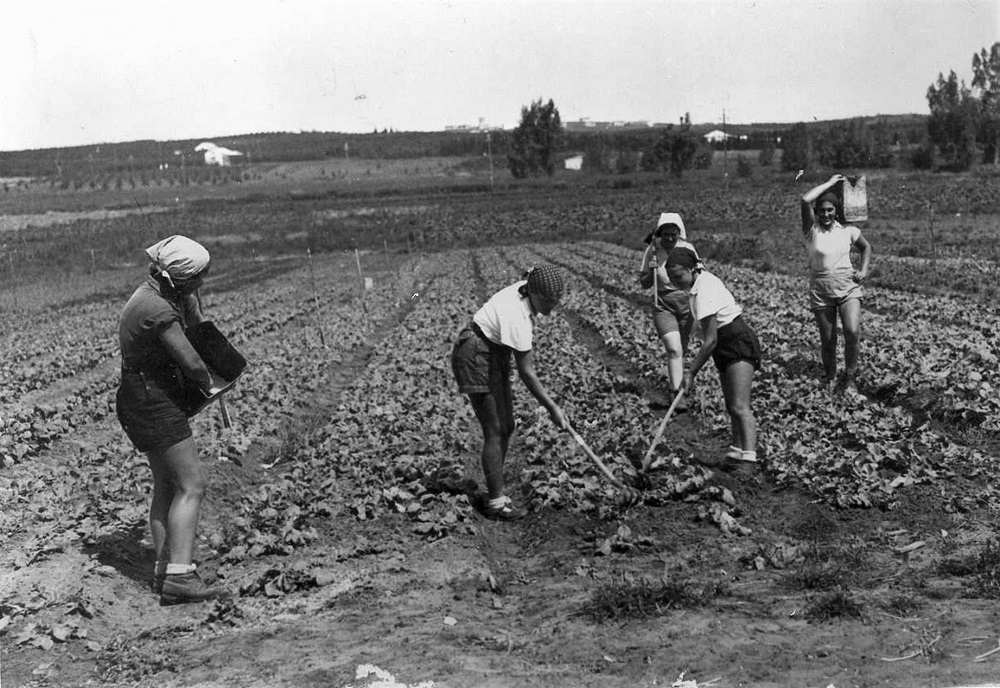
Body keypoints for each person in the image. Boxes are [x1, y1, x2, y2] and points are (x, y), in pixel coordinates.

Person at [116, 235, 227, 604]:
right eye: (197, 277)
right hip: (152, 399)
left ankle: (166, 571)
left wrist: (190, 299)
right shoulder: (158, 310)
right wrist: (213, 383)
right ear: (177, 278)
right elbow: (193, 362)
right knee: (192, 484)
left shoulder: (154, 293)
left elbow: (196, 320)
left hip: (139, 396)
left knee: (167, 483)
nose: (202, 283)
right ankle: (180, 578)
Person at [451, 265, 569, 520]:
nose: (552, 306)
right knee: (494, 429)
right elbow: (528, 373)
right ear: (534, 294)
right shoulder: (518, 318)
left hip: (492, 352)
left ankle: (497, 490)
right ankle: (495, 503)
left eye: (556, 300)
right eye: (547, 300)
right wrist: (553, 408)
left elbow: (532, 272)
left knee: (507, 426)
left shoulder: (527, 289)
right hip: (476, 354)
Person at [665, 247, 761, 465]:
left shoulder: (704, 290)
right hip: (725, 344)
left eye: (678, 276)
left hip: (737, 342)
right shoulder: (697, 285)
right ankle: (737, 451)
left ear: (690, 270)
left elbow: (711, 340)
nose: (675, 282)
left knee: (740, 406)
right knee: (731, 405)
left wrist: (690, 373)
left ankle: (749, 460)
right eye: (671, 278)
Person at [801, 174, 873, 394]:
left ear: (836, 211)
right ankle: (831, 377)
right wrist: (832, 183)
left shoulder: (848, 231)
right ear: (817, 212)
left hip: (848, 286)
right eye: (821, 210)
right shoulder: (811, 231)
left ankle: (850, 376)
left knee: (852, 331)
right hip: (821, 290)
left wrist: (863, 269)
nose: (825, 214)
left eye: (829, 210)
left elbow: (866, 248)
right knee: (828, 339)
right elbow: (805, 200)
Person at [639, 212, 702, 408]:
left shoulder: (687, 249)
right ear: (659, 234)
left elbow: (700, 274)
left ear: (679, 233)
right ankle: (676, 394)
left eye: (673, 234)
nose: (669, 238)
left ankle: (680, 387)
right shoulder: (653, 251)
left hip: (685, 305)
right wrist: (652, 267)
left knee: (681, 350)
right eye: (665, 234)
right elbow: (644, 283)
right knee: (674, 349)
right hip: (663, 305)